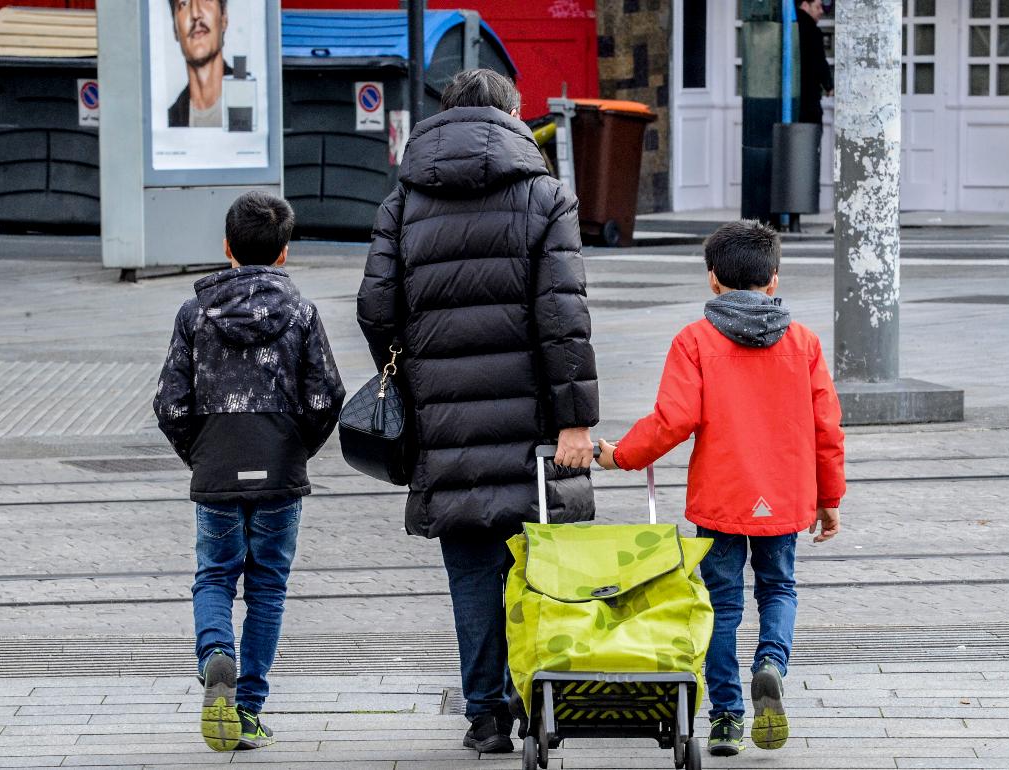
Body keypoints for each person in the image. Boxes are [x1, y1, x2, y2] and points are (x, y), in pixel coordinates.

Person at [357, 68, 598, 754]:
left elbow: (375, 309)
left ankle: (485, 714)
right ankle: (536, 699)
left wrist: (410, 366)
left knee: (469, 570)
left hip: (445, 420)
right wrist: (575, 418)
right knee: (536, 563)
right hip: (529, 424)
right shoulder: (547, 195)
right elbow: (564, 321)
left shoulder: (402, 201)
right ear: (515, 114)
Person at [595, 220, 845, 757]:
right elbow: (827, 427)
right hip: (786, 496)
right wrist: (829, 498)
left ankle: (727, 718)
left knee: (720, 605)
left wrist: (621, 455)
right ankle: (771, 665)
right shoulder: (803, 343)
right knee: (779, 587)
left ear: (713, 280)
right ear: (773, 279)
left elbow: (673, 419)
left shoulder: (696, 340)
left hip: (721, 498)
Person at [154, 191, 345, 752]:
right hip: (280, 468)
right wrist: (296, 447)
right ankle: (248, 710)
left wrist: (201, 451)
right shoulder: (303, 313)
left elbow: (170, 403)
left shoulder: (194, 314)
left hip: (216, 463)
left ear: (226, 248)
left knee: (215, 575)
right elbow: (326, 395)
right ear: (284, 253)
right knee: (268, 588)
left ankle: (216, 654)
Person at [167, 0, 229, 127]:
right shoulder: (171, 121)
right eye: (183, 4)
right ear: (175, 29)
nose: (195, 13)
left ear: (224, 18)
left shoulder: (253, 99)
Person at [796, 0, 834, 127]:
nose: (821, 11)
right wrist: (829, 85)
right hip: (809, 102)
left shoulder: (788, 28)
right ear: (805, 5)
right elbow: (819, 62)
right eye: (817, 7)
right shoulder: (812, 31)